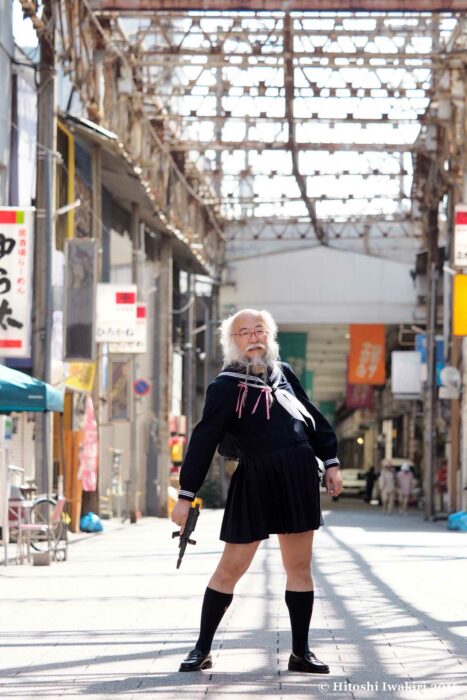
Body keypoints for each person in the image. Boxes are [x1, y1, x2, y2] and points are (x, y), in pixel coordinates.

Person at [171, 308, 343, 675]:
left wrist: (330, 462)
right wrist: (186, 495)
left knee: (298, 566)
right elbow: (204, 440)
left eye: (260, 330)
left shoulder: (285, 375)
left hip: (297, 476)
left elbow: (311, 418)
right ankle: (201, 648)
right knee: (232, 566)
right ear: (232, 343)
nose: (254, 337)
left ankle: (300, 652)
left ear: (270, 336)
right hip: (255, 478)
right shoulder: (224, 387)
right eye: (244, 332)